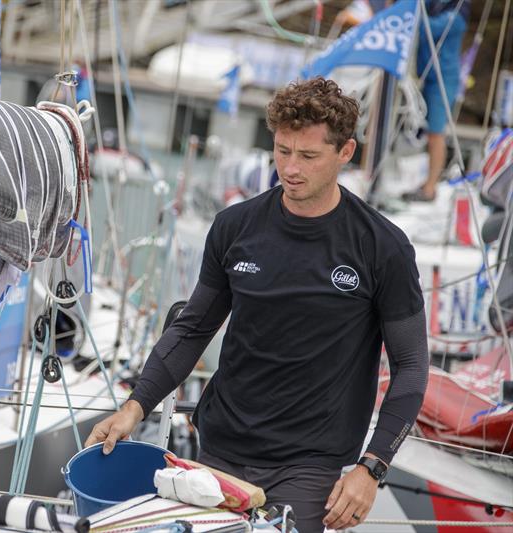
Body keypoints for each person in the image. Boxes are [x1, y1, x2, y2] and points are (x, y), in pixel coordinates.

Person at [85, 77, 429, 533]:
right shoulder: (235, 227)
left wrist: (372, 467)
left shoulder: (382, 247)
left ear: (345, 153)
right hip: (221, 447)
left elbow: (411, 366)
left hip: (308, 465)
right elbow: (192, 329)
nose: (291, 168)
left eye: (308, 156)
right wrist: (134, 406)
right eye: (282, 151)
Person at [402, 0, 471, 202]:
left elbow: (426, 27)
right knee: (424, 131)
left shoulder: (458, 15)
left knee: (436, 132)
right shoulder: (433, 5)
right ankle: (426, 181)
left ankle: (430, 189)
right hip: (426, 75)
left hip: (444, 79)